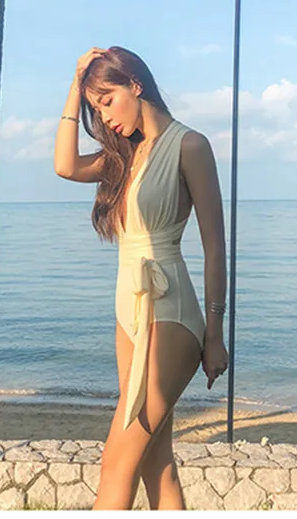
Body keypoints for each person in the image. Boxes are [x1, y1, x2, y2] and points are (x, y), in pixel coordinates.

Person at [53, 46, 230, 510]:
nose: (104, 117)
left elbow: (215, 246)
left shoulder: (190, 146)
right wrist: (75, 87)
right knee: (156, 463)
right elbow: (65, 166)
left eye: (107, 101)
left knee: (117, 460)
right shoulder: (123, 156)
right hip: (127, 308)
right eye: (96, 109)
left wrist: (215, 334)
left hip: (171, 310)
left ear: (135, 84)